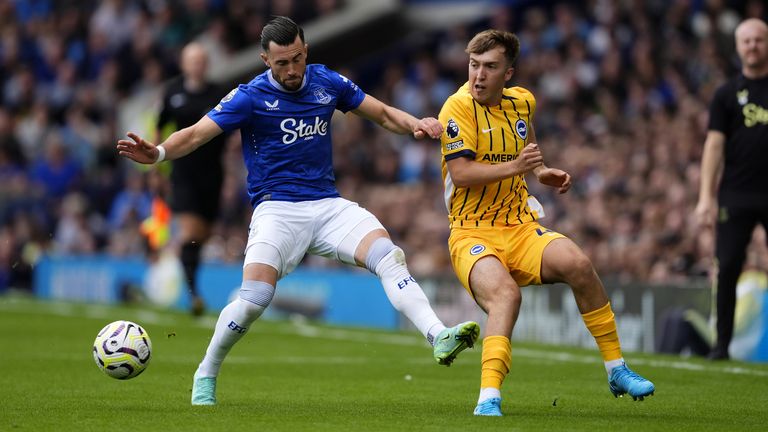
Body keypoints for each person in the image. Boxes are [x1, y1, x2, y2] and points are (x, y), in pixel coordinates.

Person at [117, 16, 479, 406]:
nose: (291, 70)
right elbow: (195, 133)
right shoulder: (249, 97)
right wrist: (157, 154)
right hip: (277, 211)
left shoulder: (328, 83)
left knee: (388, 256)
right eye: (281, 63)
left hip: (327, 205)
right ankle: (206, 370)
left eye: (296, 59)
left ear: (305, 51)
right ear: (264, 60)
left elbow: (384, 114)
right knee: (255, 299)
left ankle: (437, 334)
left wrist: (416, 125)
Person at [437, 29, 655, 417]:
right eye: (473, 65)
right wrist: (517, 167)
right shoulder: (457, 108)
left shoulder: (523, 102)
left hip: (519, 225)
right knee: (506, 295)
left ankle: (616, 369)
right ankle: (488, 397)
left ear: (509, 73)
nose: (478, 76)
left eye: (490, 67)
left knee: (579, 264)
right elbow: (463, 173)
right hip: (472, 231)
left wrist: (541, 171)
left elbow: (527, 145)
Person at [694, 18, 768, 361]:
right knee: (727, 267)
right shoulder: (725, 94)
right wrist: (706, 196)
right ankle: (721, 345)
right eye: (747, 41)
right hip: (736, 194)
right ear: (738, 47)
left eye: (759, 40)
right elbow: (713, 147)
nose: (753, 46)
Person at [155, 42, 227, 316]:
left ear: (206, 64)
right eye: (192, 60)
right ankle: (193, 293)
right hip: (183, 171)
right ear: (184, 64)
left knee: (203, 236)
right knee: (192, 231)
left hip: (212, 173)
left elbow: (229, 133)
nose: (197, 65)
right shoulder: (172, 92)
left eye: (201, 60)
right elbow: (159, 126)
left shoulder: (218, 93)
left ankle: (184, 269)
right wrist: (155, 167)